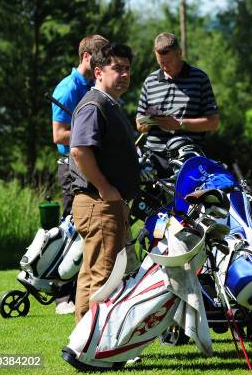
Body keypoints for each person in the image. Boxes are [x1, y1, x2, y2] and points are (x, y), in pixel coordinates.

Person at [69, 43, 139, 323]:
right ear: (98, 72)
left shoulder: (109, 104)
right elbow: (79, 150)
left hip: (106, 203)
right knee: (105, 277)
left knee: (92, 274)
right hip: (98, 203)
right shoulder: (94, 105)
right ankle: (97, 347)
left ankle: (84, 340)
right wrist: (104, 187)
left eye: (128, 69)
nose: (124, 74)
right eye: (117, 68)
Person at [50, 34, 109, 315]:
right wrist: (93, 132)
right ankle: (61, 295)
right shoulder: (67, 88)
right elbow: (59, 134)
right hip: (69, 165)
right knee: (70, 228)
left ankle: (77, 291)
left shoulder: (89, 85)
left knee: (88, 230)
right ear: (86, 57)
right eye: (99, 59)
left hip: (86, 163)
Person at [135, 32, 219, 176]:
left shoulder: (200, 78)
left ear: (179, 53)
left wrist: (180, 124)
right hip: (154, 159)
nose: (165, 67)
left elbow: (213, 122)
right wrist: (149, 122)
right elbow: (139, 124)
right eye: (161, 63)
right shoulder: (150, 81)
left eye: (168, 62)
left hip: (188, 158)